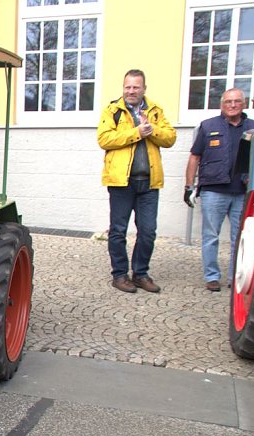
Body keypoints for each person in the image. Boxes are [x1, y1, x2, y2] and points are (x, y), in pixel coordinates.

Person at [97, 69, 177, 294]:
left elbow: (170, 138)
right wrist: (136, 133)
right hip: (122, 182)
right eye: (127, 87)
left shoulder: (155, 111)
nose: (131, 91)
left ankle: (140, 274)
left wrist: (152, 131)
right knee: (118, 230)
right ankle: (120, 275)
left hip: (149, 183)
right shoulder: (112, 111)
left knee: (148, 231)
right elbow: (104, 139)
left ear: (144, 89)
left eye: (135, 87)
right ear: (123, 88)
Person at [184, 88, 254, 292]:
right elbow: (195, 157)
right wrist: (189, 186)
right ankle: (212, 276)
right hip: (213, 190)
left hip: (242, 192)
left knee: (241, 237)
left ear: (243, 104)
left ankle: (236, 277)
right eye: (228, 101)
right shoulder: (208, 126)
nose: (232, 105)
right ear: (222, 104)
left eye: (236, 101)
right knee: (211, 236)